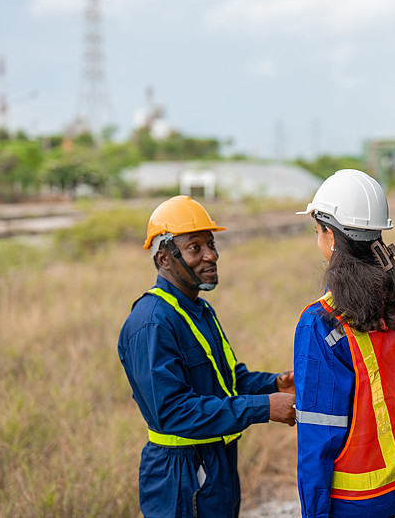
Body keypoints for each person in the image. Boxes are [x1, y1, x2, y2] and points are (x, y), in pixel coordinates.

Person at [118, 195, 297, 518]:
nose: (211, 255)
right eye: (195, 247)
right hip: (181, 477)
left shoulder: (200, 310)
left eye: (211, 244)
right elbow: (171, 412)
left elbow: (229, 379)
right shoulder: (152, 321)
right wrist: (263, 408)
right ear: (164, 258)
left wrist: (274, 385)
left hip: (216, 463)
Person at [292, 169, 395, 518]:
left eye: (318, 230)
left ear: (330, 235)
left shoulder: (321, 320)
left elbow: (319, 434)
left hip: (353, 496)